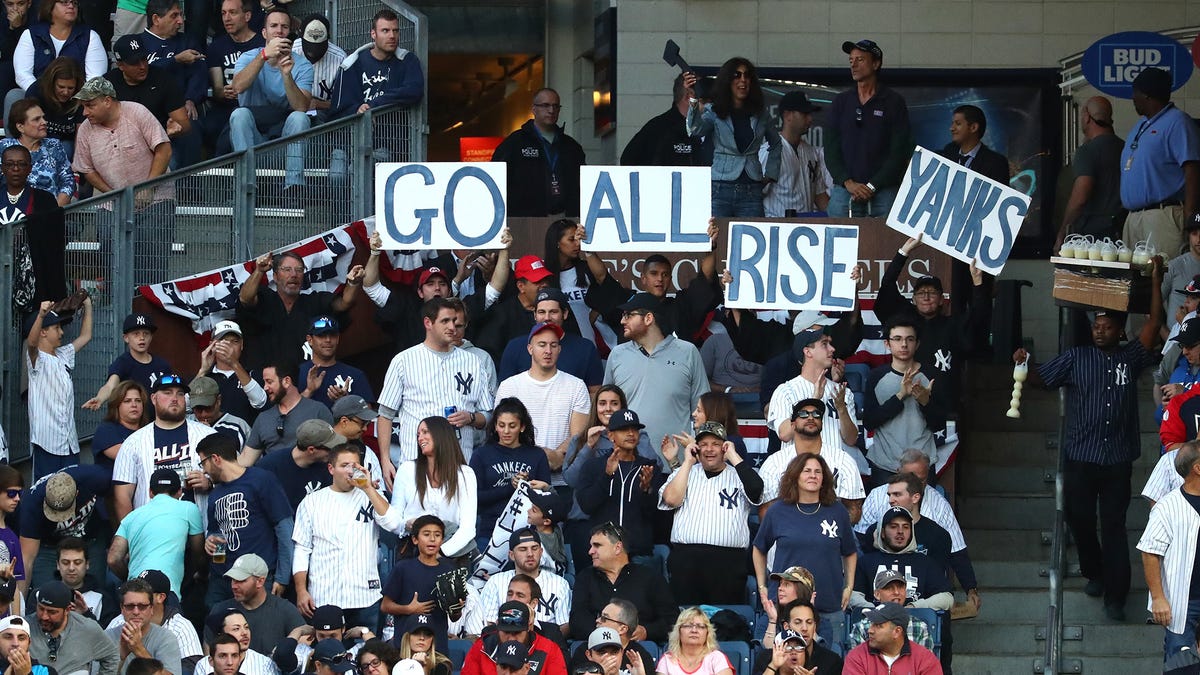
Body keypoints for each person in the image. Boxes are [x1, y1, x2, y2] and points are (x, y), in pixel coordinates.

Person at [1016, 259, 1163, 620]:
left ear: (1118, 330)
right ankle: (1094, 573)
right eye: (1096, 326)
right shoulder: (1076, 357)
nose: (1099, 331)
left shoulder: (1131, 358)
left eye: (1107, 326)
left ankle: (1116, 597)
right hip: (1080, 458)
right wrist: (1022, 360)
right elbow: (1039, 379)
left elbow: (1154, 324)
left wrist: (1157, 279)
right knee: (1079, 521)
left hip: (1117, 461)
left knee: (1113, 528)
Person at [377, 297, 494, 471]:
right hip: (415, 464)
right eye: (445, 321)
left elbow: (488, 415)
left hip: (459, 463)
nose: (452, 327)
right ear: (428, 323)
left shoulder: (473, 362)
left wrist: (470, 418)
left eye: (454, 321)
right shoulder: (403, 360)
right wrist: (385, 460)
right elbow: (385, 415)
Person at [292, 444, 401, 631]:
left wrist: (368, 488)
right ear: (331, 468)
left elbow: (394, 524)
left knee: (368, 656)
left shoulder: (370, 496)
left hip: (365, 596)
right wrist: (301, 591)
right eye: (344, 465)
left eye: (355, 465)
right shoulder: (312, 502)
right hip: (324, 596)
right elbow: (302, 549)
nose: (350, 470)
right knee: (327, 655)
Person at [753, 453, 856, 647]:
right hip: (785, 608)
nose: (813, 475)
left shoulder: (837, 511)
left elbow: (850, 551)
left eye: (818, 471)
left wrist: (849, 585)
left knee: (828, 664)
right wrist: (761, 586)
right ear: (795, 476)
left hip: (828, 602)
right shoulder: (778, 510)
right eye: (807, 471)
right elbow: (759, 548)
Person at [658, 421, 762, 605]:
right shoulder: (685, 472)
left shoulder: (739, 475)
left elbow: (756, 490)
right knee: (686, 622)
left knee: (726, 624)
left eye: (715, 444)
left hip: (728, 564)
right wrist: (688, 462)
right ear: (696, 448)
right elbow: (671, 499)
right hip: (686, 562)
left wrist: (734, 456)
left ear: (725, 447)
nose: (709, 449)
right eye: (704, 444)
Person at [604, 293, 708, 469]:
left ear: (648, 318)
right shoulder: (617, 355)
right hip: (627, 465)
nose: (622, 321)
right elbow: (606, 409)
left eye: (628, 315)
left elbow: (703, 411)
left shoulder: (688, 352)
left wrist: (700, 455)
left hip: (677, 465)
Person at [197, 434, 294, 605]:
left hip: (257, 575)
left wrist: (282, 577)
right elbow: (214, 530)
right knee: (214, 622)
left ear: (215, 459)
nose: (204, 470)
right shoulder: (215, 494)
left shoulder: (261, 479)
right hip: (223, 577)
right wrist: (209, 540)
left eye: (203, 463)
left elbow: (284, 527)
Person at [229, 7, 314, 195]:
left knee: (300, 118)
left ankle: (294, 189)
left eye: (284, 27)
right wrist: (264, 56)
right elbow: (237, 87)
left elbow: (302, 107)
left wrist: (286, 75)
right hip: (251, 142)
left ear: (289, 33)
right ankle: (246, 189)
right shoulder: (249, 57)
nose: (279, 31)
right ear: (264, 32)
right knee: (239, 114)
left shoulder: (302, 64)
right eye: (274, 26)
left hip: (285, 145)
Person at [680, 58, 779, 217]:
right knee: (716, 240)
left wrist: (770, 175)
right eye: (736, 75)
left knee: (750, 241)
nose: (743, 80)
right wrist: (693, 98)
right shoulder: (714, 110)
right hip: (720, 188)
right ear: (727, 80)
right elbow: (694, 130)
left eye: (747, 76)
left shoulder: (761, 114)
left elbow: (776, 143)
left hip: (751, 190)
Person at [1120, 67, 1200, 261]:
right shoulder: (1141, 125)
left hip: (1163, 216)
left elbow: (1193, 170)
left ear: (1147, 95)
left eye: (1135, 92)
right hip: (1133, 218)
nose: (1133, 98)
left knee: (1163, 277)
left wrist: (1190, 219)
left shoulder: (1178, 122)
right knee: (1135, 284)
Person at [112, 373, 215, 524]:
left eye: (180, 394)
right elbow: (122, 496)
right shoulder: (133, 442)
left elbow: (233, 477)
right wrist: (132, 535)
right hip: (151, 533)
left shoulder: (208, 435)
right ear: (153, 399)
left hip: (200, 532)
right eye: (167, 393)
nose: (174, 398)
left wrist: (209, 483)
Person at [235, 251, 364, 372]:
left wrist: (353, 283)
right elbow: (245, 299)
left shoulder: (314, 302)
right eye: (287, 270)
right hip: (265, 381)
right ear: (275, 276)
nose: (294, 275)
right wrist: (259, 271)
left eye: (299, 270)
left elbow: (344, 303)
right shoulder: (265, 298)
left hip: (306, 381)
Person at [824, 39, 911, 218]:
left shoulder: (893, 101)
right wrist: (848, 183)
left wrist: (873, 185)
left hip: (884, 191)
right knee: (838, 242)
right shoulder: (841, 102)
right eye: (851, 60)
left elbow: (900, 152)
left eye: (860, 59)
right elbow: (831, 149)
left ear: (876, 63)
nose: (854, 65)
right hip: (845, 191)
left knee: (885, 244)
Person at [495, 323, 590, 484]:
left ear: (559, 349)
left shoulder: (576, 385)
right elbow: (500, 432)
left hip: (562, 481)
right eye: (542, 345)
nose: (548, 351)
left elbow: (578, 435)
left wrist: (556, 457)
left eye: (554, 345)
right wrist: (536, 460)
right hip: (516, 480)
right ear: (530, 349)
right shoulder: (509, 386)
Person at [862, 316, 948, 488]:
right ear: (887, 344)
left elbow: (939, 425)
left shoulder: (932, 376)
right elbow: (869, 422)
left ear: (917, 344)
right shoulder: (876, 376)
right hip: (884, 464)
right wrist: (900, 396)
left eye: (909, 339)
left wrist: (925, 402)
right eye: (897, 339)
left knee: (921, 514)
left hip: (921, 465)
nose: (903, 345)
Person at [1139, 441, 1200, 666]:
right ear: (1198, 469)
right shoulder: (1167, 507)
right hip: (1183, 602)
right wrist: (1158, 598)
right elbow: (1149, 552)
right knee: (1182, 665)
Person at [759, 398, 866, 523]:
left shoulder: (843, 460)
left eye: (816, 414)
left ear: (822, 423)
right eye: (803, 414)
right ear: (792, 424)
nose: (810, 417)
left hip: (830, 533)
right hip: (788, 533)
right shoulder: (774, 462)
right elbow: (765, 510)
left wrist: (833, 530)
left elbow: (854, 508)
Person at [569, 523, 678, 643]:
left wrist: (647, 631)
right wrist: (607, 634)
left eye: (597, 545)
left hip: (639, 649)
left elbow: (672, 619)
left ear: (617, 547)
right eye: (591, 546)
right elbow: (577, 621)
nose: (590, 551)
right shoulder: (585, 577)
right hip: (596, 649)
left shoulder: (650, 577)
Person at [575, 410, 663, 558]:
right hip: (603, 552)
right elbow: (587, 506)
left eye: (634, 429)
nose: (630, 433)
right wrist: (607, 475)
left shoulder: (649, 468)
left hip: (638, 552)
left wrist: (646, 490)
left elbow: (656, 514)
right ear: (610, 435)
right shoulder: (593, 466)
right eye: (624, 429)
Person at [389, 417, 478, 559]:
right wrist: (406, 524)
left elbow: (468, 528)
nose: (420, 438)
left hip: (451, 553)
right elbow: (394, 518)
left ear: (441, 434)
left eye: (425, 432)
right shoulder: (407, 469)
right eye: (418, 434)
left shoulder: (465, 474)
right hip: (413, 551)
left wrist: (440, 552)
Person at [491, 87, 585, 217]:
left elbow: (582, 186)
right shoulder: (514, 143)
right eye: (545, 105)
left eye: (555, 106)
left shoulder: (572, 147)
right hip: (525, 220)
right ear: (534, 109)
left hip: (567, 220)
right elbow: (497, 180)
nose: (551, 110)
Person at [107, 468, 203, 595]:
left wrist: (131, 579)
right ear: (180, 492)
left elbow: (113, 559)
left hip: (134, 594)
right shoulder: (188, 508)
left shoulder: (131, 517)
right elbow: (198, 551)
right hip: (166, 591)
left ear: (150, 492)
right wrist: (197, 573)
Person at [25, 299, 92, 478]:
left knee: (71, 491)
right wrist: (41, 315)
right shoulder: (36, 359)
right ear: (43, 332)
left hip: (69, 441)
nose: (62, 332)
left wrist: (87, 305)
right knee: (45, 494)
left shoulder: (64, 354)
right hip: (46, 442)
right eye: (57, 328)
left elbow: (86, 336)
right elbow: (31, 344)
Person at [766, 328, 859, 457]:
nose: (832, 349)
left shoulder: (842, 391)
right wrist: (814, 400)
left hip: (835, 470)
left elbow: (851, 439)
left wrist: (842, 409)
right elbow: (784, 434)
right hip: (799, 470)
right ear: (808, 352)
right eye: (824, 344)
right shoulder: (785, 391)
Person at [16, 469, 110, 595]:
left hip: (91, 540)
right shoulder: (31, 505)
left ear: (77, 493)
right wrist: (18, 608)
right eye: (54, 511)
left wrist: (115, 535)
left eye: (65, 511)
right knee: (45, 595)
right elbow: (26, 559)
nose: (61, 517)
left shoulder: (95, 479)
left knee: (97, 592)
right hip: (49, 548)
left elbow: (116, 499)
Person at [470, 399, 551, 540]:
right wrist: (510, 487)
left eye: (512, 426)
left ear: (522, 427)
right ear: (495, 426)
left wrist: (527, 486)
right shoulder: (481, 455)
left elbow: (547, 498)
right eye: (501, 425)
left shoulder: (536, 455)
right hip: (490, 531)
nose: (506, 431)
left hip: (528, 532)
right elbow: (474, 498)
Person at [497, 287, 603, 390]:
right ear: (534, 315)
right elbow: (506, 391)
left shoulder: (585, 348)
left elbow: (594, 392)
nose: (547, 318)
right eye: (541, 312)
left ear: (565, 314)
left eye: (553, 312)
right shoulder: (514, 347)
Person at [381, 515, 458, 654]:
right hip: (405, 647)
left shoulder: (449, 570)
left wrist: (457, 607)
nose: (432, 539)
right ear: (415, 539)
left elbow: (454, 616)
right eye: (427, 534)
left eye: (437, 535)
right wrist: (409, 609)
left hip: (437, 647)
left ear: (442, 540)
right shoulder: (403, 568)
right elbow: (385, 605)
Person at [9, 0, 106, 110]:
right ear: (50, 7)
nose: (71, 6)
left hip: (76, 100)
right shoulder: (31, 34)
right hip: (37, 98)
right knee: (14, 96)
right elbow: (22, 74)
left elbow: (94, 78)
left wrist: (71, 95)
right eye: (64, 2)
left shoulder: (90, 36)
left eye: (74, 3)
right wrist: (44, 94)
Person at [1055, 96, 1123, 246]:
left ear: (1086, 117)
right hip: (1121, 230)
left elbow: (1080, 198)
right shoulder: (1124, 147)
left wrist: (1062, 232)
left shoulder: (1087, 151)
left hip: (1093, 237)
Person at [329, 8, 423, 117]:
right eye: (385, 31)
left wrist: (374, 105)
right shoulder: (352, 64)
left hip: (398, 130)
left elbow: (414, 91)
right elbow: (337, 111)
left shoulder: (407, 60)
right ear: (373, 34)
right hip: (363, 132)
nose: (392, 36)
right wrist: (358, 110)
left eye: (395, 30)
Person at [106, 570, 203, 675]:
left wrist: (139, 650)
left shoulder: (168, 636)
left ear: (151, 608)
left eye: (142, 606)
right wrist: (120, 657)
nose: (136, 612)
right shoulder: (107, 636)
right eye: (130, 606)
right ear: (122, 608)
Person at [240, 361, 335, 466]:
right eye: (265, 382)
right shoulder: (263, 418)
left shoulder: (318, 410)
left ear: (286, 381)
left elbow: (334, 453)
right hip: (273, 479)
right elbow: (245, 461)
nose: (265, 387)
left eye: (269, 382)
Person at [477, 530, 569, 635]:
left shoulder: (560, 584)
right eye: (523, 549)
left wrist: (541, 643)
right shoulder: (496, 582)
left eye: (534, 548)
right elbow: (489, 623)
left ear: (541, 552)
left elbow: (565, 625)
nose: (530, 554)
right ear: (511, 555)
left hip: (546, 645)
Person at [203, 0, 263, 154]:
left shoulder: (262, 44)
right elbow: (217, 88)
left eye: (233, 12)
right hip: (227, 106)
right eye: (223, 13)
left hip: (257, 107)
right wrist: (223, 92)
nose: (227, 18)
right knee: (209, 126)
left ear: (247, 15)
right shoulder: (217, 46)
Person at [217, 552, 305, 654]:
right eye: (233, 580)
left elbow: (305, 642)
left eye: (241, 580)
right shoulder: (220, 611)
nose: (234, 586)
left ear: (260, 581)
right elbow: (209, 654)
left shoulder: (284, 610)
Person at [84, 313, 172, 412]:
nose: (142, 338)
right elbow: (110, 386)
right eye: (136, 334)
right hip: (131, 423)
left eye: (146, 333)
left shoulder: (162, 365)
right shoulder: (123, 363)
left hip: (157, 422)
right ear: (126, 338)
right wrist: (100, 398)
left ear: (151, 337)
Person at [28, 581, 120, 675]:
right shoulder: (25, 628)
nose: (44, 616)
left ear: (67, 609)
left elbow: (112, 656)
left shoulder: (86, 628)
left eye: (52, 612)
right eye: (41, 608)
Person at [761, 91, 828, 217]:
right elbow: (753, 195)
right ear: (788, 116)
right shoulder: (768, 151)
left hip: (805, 229)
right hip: (776, 228)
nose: (810, 119)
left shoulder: (812, 153)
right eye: (805, 114)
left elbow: (820, 196)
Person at [255, 419, 343, 512]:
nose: (334, 452)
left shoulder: (328, 465)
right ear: (311, 450)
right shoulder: (269, 467)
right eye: (330, 448)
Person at [460, 601, 566, 675]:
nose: (511, 638)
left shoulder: (549, 649)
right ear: (497, 626)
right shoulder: (482, 647)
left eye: (517, 632)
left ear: (529, 626)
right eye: (506, 632)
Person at [0, 98, 74, 205]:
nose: (44, 122)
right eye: (36, 119)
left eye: (43, 117)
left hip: (49, 211)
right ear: (20, 127)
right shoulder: (4, 147)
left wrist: (55, 209)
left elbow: (68, 181)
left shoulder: (54, 146)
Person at [195, 320, 268, 424]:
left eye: (234, 341)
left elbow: (260, 402)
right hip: (211, 437)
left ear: (242, 345)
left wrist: (234, 364)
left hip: (244, 437)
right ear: (212, 345)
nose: (228, 345)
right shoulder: (204, 377)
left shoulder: (254, 375)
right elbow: (185, 406)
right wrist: (203, 370)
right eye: (222, 340)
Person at [620, 74, 699, 167]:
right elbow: (628, 159)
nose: (710, 105)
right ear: (688, 96)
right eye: (704, 98)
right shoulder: (658, 129)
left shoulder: (710, 126)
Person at [847, 570, 935, 652]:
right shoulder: (862, 627)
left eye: (900, 587)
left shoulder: (920, 627)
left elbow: (926, 665)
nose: (896, 592)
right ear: (877, 594)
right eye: (889, 588)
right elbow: (856, 664)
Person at [297, 316, 374, 409]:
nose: (328, 340)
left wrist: (345, 401)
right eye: (321, 335)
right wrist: (308, 391)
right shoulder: (296, 373)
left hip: (342, 424)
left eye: (332, 335)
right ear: (310, 340)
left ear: (338, 339)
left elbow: (368, 414)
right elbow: (285, 413)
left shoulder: (356, 375)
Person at [841, 602, 940, 674]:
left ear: (897, 632)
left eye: (878, 625)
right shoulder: (857, 657)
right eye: (872, 624)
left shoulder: (925, 659)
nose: (870, 630)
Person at [290, 14, 344, 119]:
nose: (313, 52)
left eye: (318, 47)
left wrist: (319, 104)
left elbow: (344, 100)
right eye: (309, 45)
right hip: (291, 110)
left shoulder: (340, 58)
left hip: (322, 113)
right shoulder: (291, 50)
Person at [25, 58, 83, 154]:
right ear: (51, 83)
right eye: (61, 87)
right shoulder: (36, 90)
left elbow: (81, 132)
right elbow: (28, 127)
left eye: (70, 88)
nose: (65, 92)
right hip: (38, 139)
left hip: (66, 142)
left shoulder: (81, 96)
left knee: (65, 149)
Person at [769, 600, 842, 675]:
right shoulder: (769, 658)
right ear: (786, 627)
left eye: (809, 622)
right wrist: (772, 666)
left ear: (814, 627)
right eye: (798, 622)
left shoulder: (832, 661)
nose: (804, 628)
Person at [655, 608, 732, 675]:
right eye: (688, 626)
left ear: (707, 633)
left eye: (700, 626)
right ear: (679, 631)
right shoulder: (667, 660)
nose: (694, 630)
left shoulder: (717, 658)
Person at [196, 609, 273, 675]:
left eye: (246, 627)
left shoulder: (264, 663)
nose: (244, 633)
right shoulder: (204, 665)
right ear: (221, 634)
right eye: (236, 629)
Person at [189, 376, 252, 448]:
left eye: (208, 407)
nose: (204, 414)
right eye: (198, 409)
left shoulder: (238, 426)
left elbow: (252, 457)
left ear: (218, 400)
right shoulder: (186, 423)